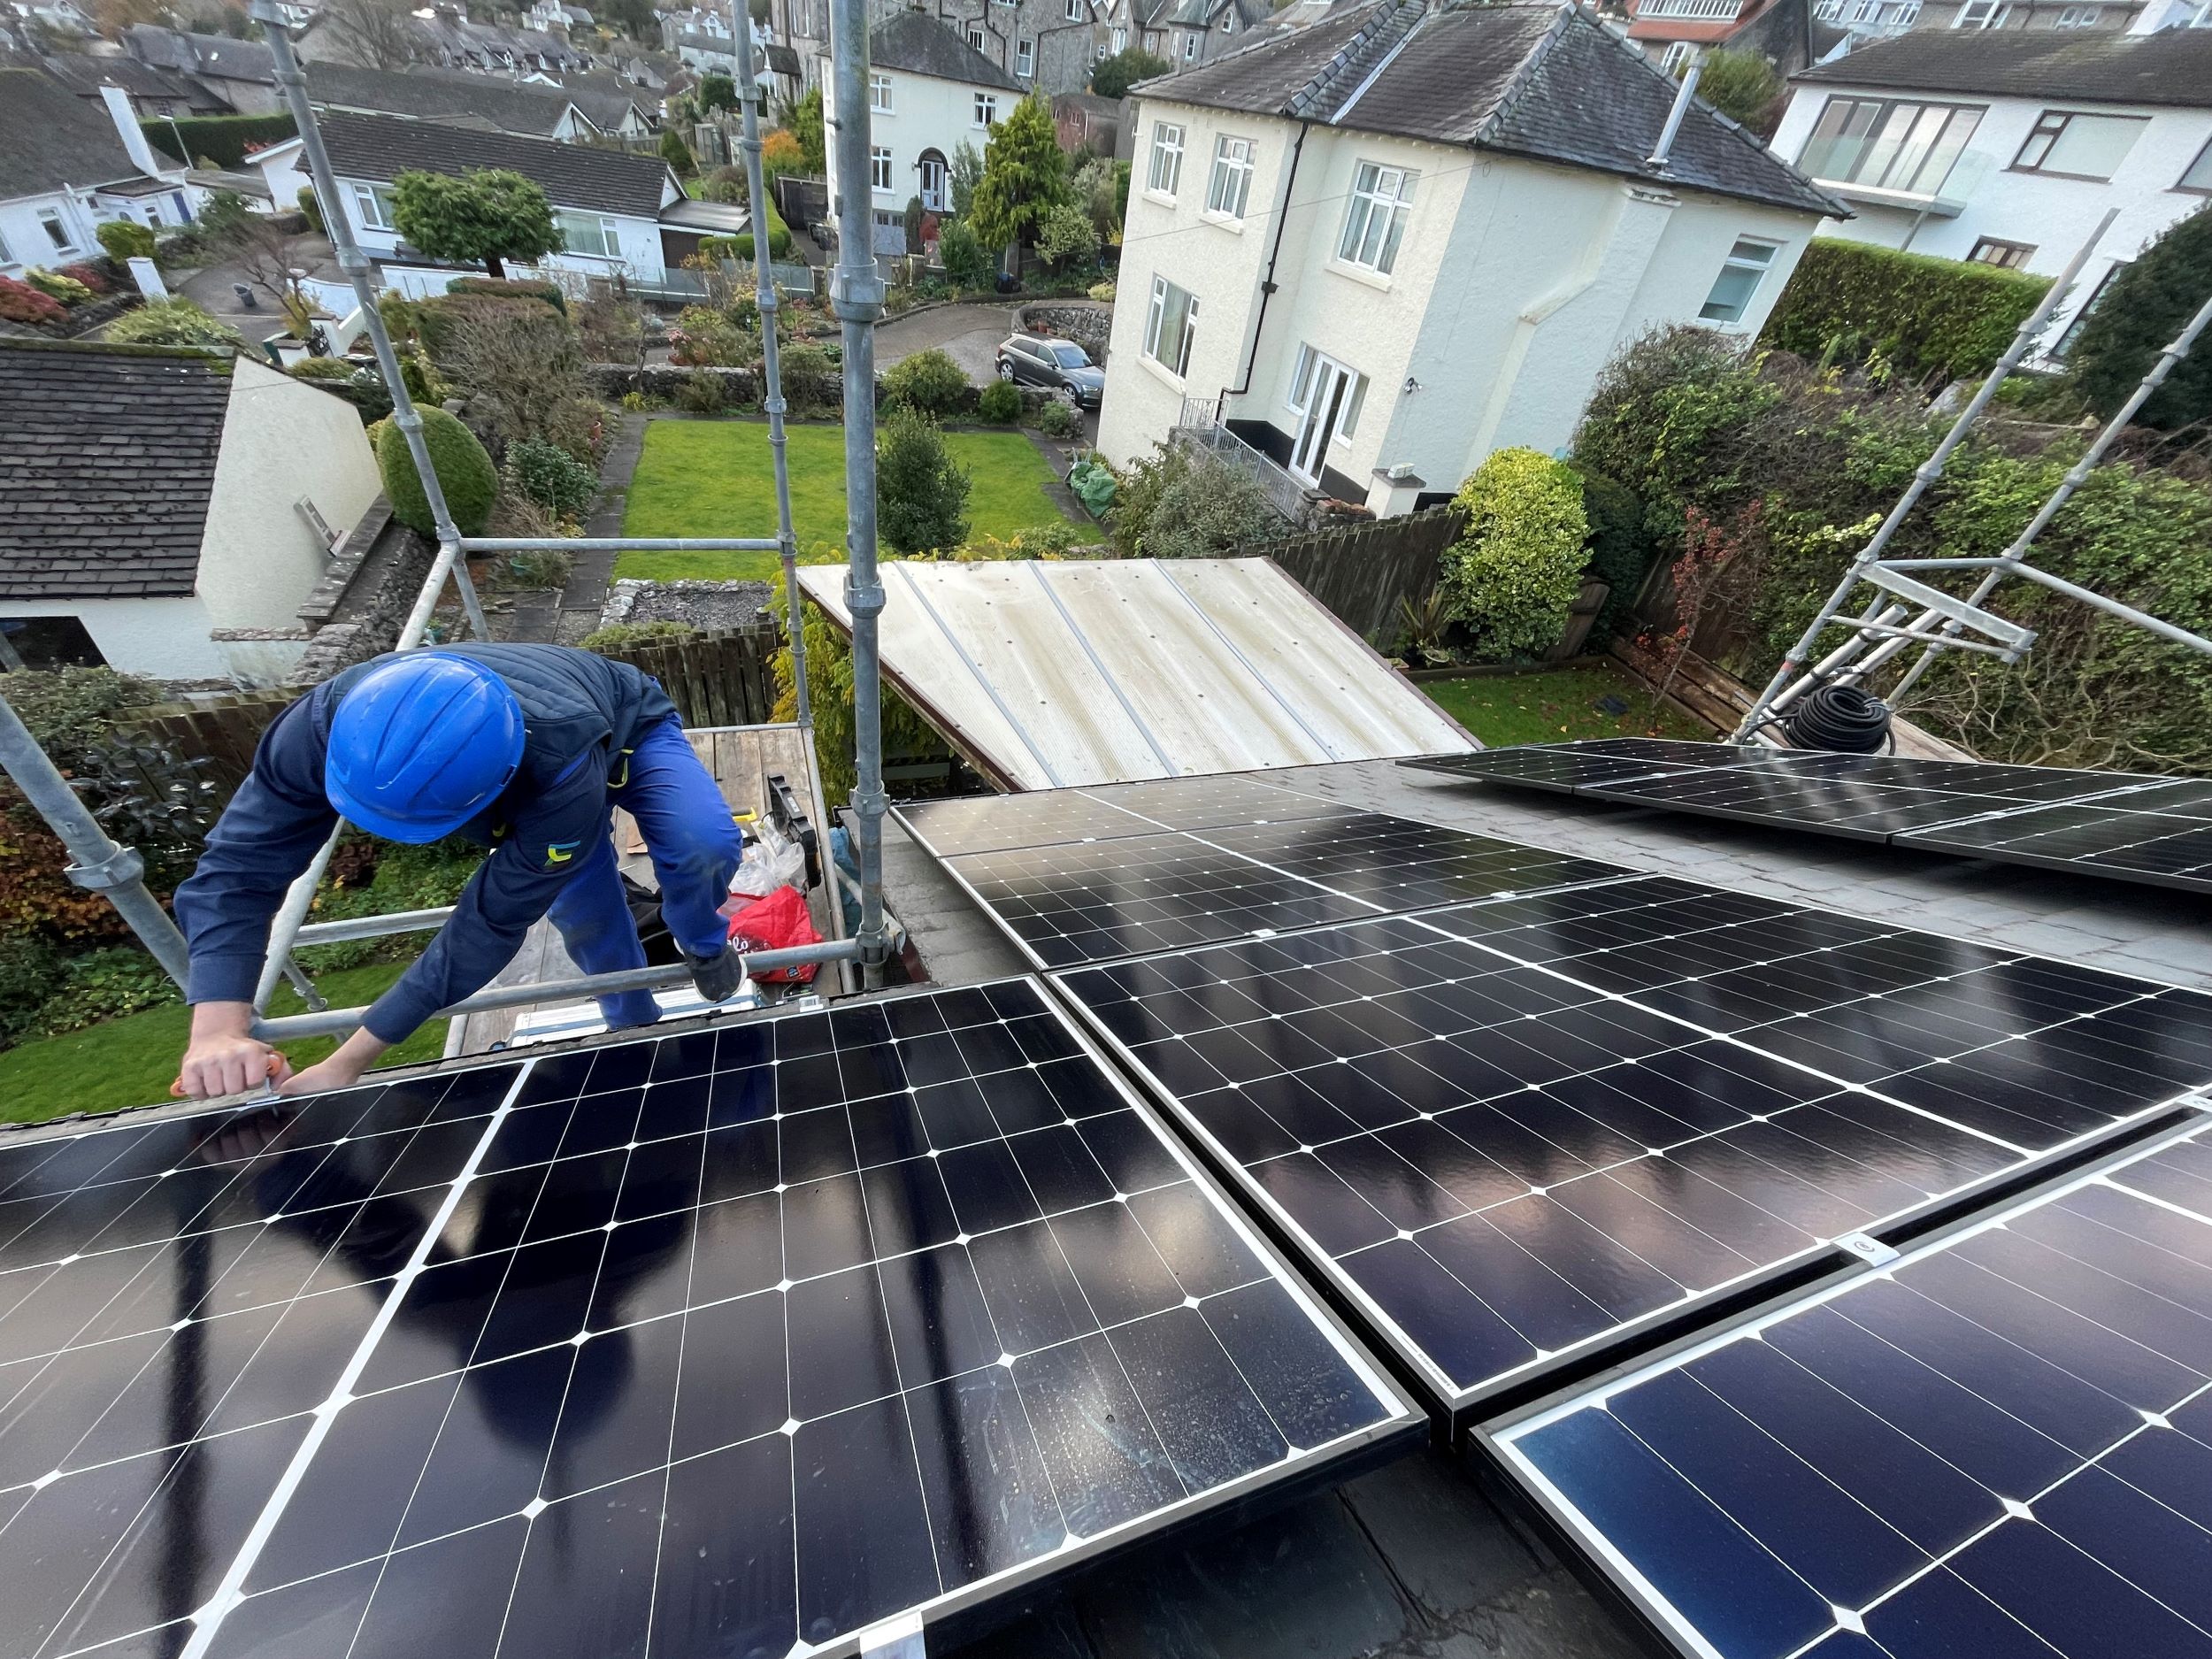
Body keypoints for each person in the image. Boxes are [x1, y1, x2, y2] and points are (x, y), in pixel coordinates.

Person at [173, 644, 748, 1100]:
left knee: (704, 843)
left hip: (621, 721)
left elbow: (487, 926)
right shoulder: (323, 728)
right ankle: (637, 1030)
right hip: (538, 757)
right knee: (593, 918)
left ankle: (701, 942)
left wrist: (352, 1056)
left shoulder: (555, 770)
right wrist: (217, 1029)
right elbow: (237, 871)